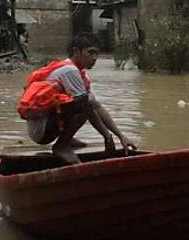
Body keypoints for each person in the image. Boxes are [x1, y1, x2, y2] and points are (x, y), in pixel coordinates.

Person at [17, 33, 136, 165]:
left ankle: (67, 139)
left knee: (84, 101)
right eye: (90, 53)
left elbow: (97, 107)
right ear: (75, 51)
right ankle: (62, 145)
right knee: (84, 102)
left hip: (47, 126)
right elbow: (89, 107)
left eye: (96, 53)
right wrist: (107, 136)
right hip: (42, 131)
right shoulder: (69, 70)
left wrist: (121, 136)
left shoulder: (81, 75)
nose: (94, 58)